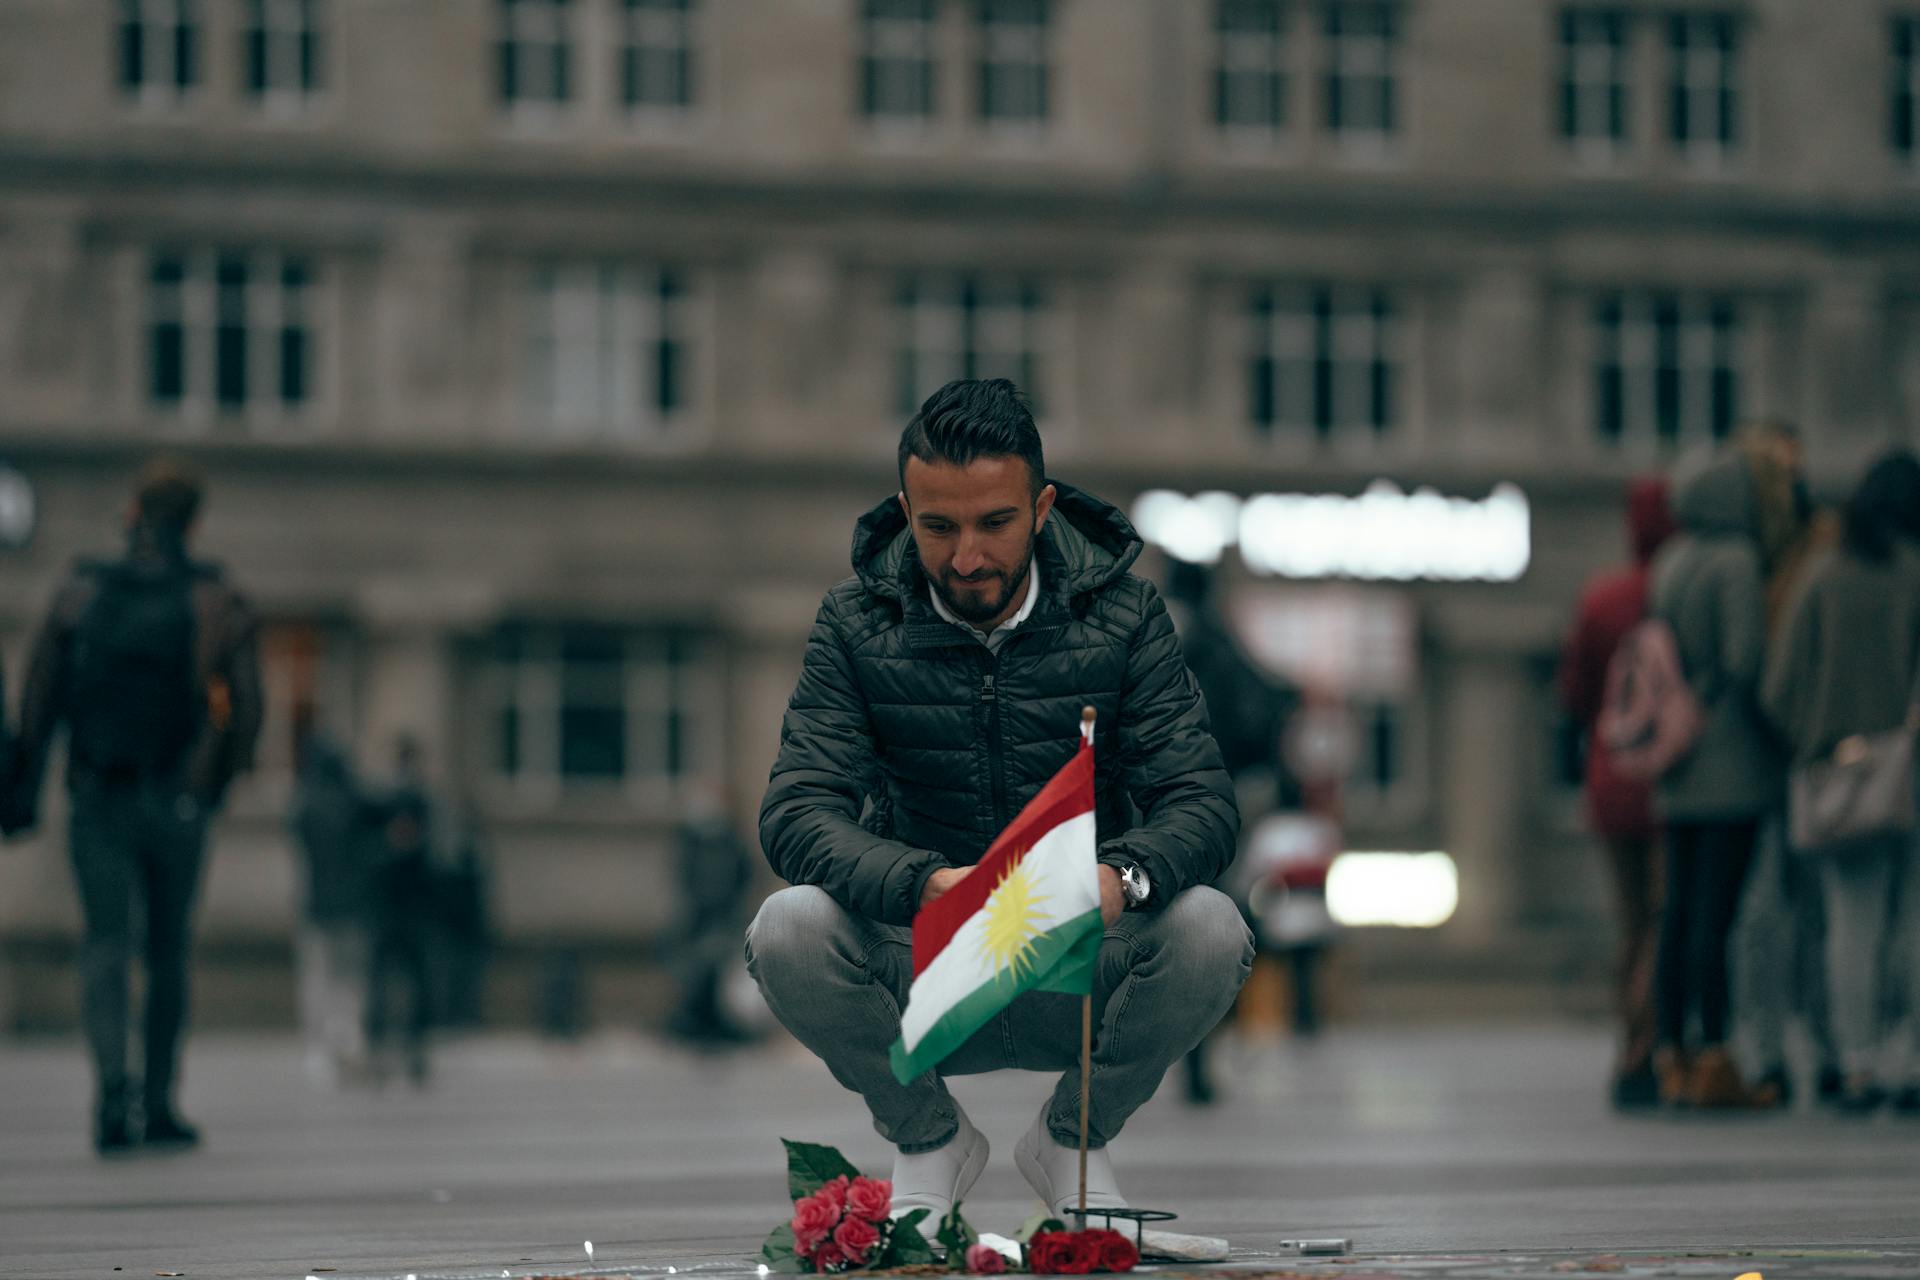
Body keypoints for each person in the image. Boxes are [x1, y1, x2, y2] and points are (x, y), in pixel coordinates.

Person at [748, 379, 1252, 1227]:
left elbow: (1199, 801)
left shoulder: (1125, 617)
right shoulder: (853, 623)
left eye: (995, 524)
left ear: (1043, 507)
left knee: (1212, 926)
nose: (968, 557)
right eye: (938, 527)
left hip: (1083, 968)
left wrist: (1120, 878)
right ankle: (929, 1140)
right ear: (906, 509)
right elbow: (797, 809)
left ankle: (1073, 1142)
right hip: (924, 969)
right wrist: (918, 883)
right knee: (786, 926)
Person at [10, 458, 262, 1153]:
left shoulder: (81, 590)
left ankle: (109, 1099)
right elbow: (247, 706)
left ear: (133, 516)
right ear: (196, 521)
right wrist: (213, 785)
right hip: (176, 800)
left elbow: (38, 697)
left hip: (96, 794)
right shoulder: (216, 597)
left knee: (105, 946)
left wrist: (25, 786)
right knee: (169, 952)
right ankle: (159, 1103)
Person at [1761, 450, 1920, 1113]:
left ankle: (1854, 1065)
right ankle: (1905, 1062)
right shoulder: (1914, 576)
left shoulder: (1823, 578)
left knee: (1850, 926)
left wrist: (1819, 742)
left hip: (1843, 777)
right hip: (1912, 773)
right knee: (1911, 925)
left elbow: (1779, 687)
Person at [1647, 449, 1781, 1108]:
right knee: (1718, 918)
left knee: (1677, 912)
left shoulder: (1672, 560)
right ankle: (1717, 1055)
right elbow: (1746, 659)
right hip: (1728, 763)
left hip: (1674, 765)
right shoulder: (1735, 561)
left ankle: (1669, 1050)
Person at [1728, 422, 1842, 1107]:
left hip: (1813, 750)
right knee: (1767, 916)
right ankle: (1770, 1050)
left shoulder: (1821, 544)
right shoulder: (1740, 551)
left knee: (1816, 913)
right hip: (1763, 754)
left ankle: (1825, 1047)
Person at [1558, 475, 1675, 1109]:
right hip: (1668, 779)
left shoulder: (1603, 598)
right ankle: (1644, 1045)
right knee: (1664, 917)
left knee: (1631, 921)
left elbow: (1573, 693)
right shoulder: (1679, 593)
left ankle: (1629, 1037)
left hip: (1610, 778)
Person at [289, 730, 378, 1088]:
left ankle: (319, 1049)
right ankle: (349, 1040)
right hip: (354, 906)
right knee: (351, 980)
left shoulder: (306, 806)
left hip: (316, 905)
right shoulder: (354, 803)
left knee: (317, 980)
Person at [365, 734, 435, 1086]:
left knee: (406, 979)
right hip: (393, 905)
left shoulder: (416, 801)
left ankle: (404, 1050)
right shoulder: (387, 802)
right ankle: (387, 1050)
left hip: (406, 906)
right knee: (388, 978)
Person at [664, 784, 757, 1047]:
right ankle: (697, 1021)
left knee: (721, 969)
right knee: (695, 969)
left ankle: (719, 1023)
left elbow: (745, 875)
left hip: (725, 921)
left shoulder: (732, 843)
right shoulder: (692, 843)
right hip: (698, 922)